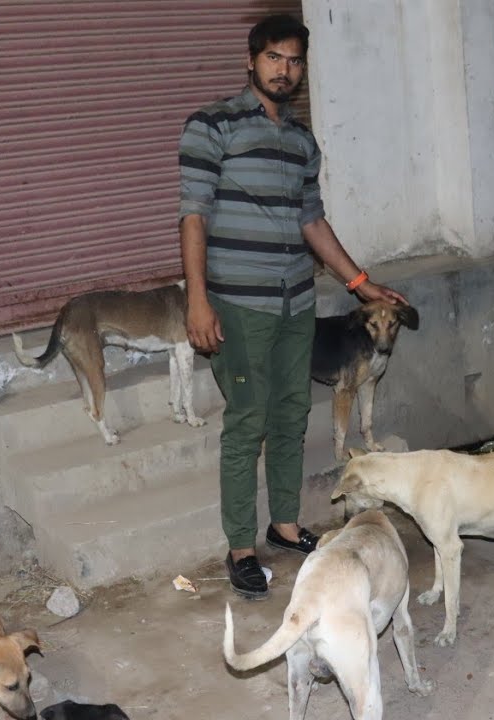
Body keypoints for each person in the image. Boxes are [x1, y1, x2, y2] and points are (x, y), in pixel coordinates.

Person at [177, 14, 408, 599]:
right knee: (247, 420)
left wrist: (360, 284)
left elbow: (312, 220)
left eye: (295, 60)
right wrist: (198, 300)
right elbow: (193, 214)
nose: (285, 70)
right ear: (251, 60)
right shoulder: (213, 125)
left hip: (295, 302)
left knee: (289, 415)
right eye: (274, 58)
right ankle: (240, 546)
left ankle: (283, 525)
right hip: (240, 306)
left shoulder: (302, 141)